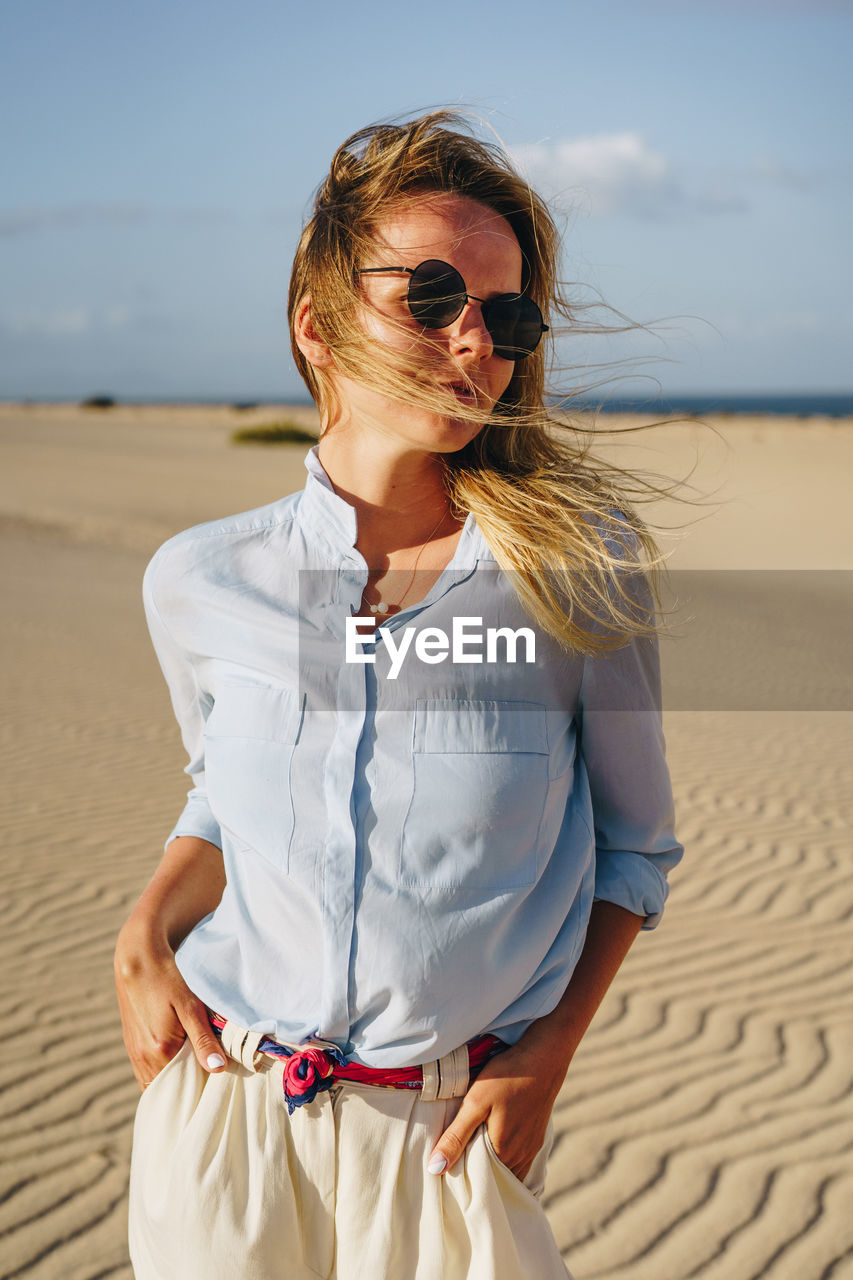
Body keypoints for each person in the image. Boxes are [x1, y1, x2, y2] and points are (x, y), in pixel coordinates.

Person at [115, 111, 683, 1280]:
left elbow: (635, 851)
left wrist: (546, 1056)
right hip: (223, 1125)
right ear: (315, 325)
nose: (476, 338)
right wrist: (143, 928)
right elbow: (223, 795)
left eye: (506, 314)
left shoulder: (575, 570)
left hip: (446, 1151)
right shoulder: (200, 580)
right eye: (429, 296)